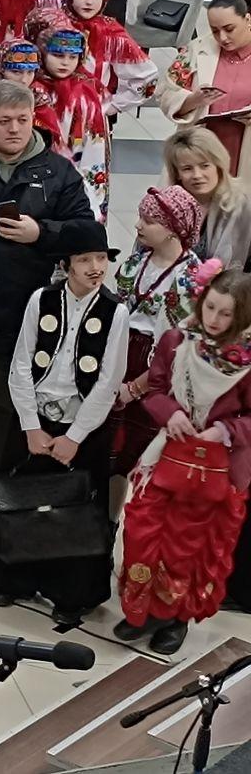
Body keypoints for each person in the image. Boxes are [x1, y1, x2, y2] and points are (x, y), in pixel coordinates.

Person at [0, 79, 97, 511]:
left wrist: (40, 233)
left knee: (8, 406)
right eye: (4, 120)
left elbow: (86, 232)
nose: (15, 129)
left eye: (23, 120)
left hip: (22, 312)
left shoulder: (58, 172)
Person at [0, 220, 125, 620]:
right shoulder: (41, 300)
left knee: (75, 511)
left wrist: (76, 435)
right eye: (85, 259)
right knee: (24, 501)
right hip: (37, 423)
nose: (95, 267)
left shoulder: (116, 312)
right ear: (66, 264)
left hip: (82, 428)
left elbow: (109, 382)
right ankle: (12, 580)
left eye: (101, 258)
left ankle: (69, 594)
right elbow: (21, 363)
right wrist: (30, 424)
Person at [116, 269, 251, 655]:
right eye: (210, 307)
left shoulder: (247, 359)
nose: (214, 319)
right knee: (143, 533)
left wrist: (224, 430)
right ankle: (144, 610)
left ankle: (175, 618)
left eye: (225, 313)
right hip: (167, 455)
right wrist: (170, 413)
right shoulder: (178, 340)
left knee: (188, 546)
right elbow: (156, 389)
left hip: (218, 468)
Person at [111, 186, 210, 478]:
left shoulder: (190, 279)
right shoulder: (136, 263)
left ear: (172, 230)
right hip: (119, 352)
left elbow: (178, 350)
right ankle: (102, 502)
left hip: (153, 369)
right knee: (107, 445)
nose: (137, 225)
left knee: (136, 447)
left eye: (148, 220)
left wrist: (135, 388)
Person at [159, 0, 251, 175]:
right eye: (215, 31)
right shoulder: (197, 49)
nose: (222, 38)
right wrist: (193, 100)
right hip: (202, 148)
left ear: (247, 19)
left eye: (229, 29)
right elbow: (165, 91)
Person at [33, 16, 113, 218]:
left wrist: (91, 204)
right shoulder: (28, 89)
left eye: (73, 56)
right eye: (58, 55)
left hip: (72, 177)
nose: (65, 62)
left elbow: (93, 150)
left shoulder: (86, 94)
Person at [63, 0, 158, 117]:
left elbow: (148, 76)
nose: (89, 1)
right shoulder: (52, 25)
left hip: (90, 117)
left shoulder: (112, 35)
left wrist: (113, 106)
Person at [167, 127, 251, 267]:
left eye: (205, 166)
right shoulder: (166, 204)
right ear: (177, 174)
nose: (197, 175)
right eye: (187, 169)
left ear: (218, 166)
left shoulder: (243, 205)